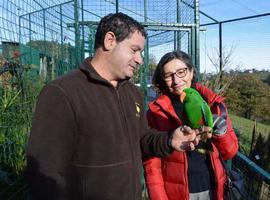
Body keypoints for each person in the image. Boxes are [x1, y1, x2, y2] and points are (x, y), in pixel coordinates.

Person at [25, 13, 206, 200]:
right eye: (134, 50)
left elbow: (143, 138)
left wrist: (170, 140)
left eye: (141, 52)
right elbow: (45, 173)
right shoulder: (62, 93)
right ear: (110, 40)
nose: (140, 59)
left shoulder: (132, 93)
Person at [143, 51, 239, 200]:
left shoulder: (213, 104)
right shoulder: (155, 112)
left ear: (192, 72)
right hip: (176, 193)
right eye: (168, 75)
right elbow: (152, 165)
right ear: (162, 79)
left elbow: (230, 153)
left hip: (214, 188)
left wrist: (221, 132)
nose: (176, 80)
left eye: (181, 72)